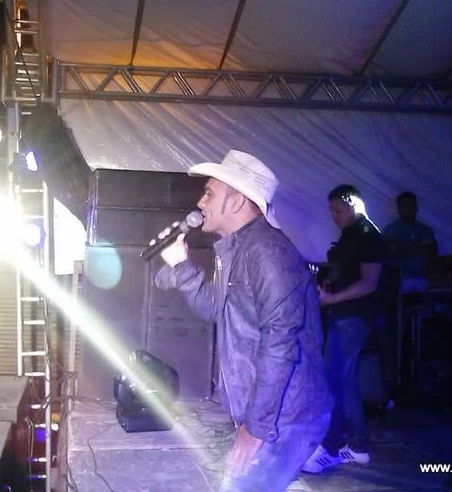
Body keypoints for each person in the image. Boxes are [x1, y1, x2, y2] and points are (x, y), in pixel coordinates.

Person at [154, 150, 332, 492]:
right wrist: (181, 266)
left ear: (236, 202)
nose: (200, 202)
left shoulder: (267, 253)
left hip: (284, 417)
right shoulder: (236, 249)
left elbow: (280, 345)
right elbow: (215, 309)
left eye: (209, 193)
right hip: (274, 413)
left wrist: (256, 428)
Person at [304, 184, 386, 473]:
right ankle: (358, 448)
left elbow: (369, 283)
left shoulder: (368, 236)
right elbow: (345, 272)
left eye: (338, 210)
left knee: (333, 384)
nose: (334, 216)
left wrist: (332, 299)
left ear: (354, 204)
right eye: (331, 211)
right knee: (346, 383)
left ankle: (329, 448)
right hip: (342, 316)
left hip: (353, 318)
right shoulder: (350, 236)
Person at [383, 192, 438, 293]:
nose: (408, 209)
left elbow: (432, 252)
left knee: (422, 301)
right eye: (404, 206)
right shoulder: (390, 230)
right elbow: (389, 253)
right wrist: (418, 248)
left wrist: (403, 248)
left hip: (422, 277)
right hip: (399, 278)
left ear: (416, 208)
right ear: (398, 209)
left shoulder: (425, 230)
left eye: (411, 205)